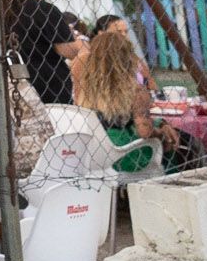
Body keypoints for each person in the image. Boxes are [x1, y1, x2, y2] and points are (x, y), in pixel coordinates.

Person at [72, 23, 193, 175]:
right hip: (127, 153)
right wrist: (161, 133)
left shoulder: (86, 90)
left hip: (95, 153)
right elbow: (145, 131)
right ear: (126, 57)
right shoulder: (135, 91)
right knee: (174, 146)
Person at [0, 0, 86, 105]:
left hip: (18, 83)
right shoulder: (46, 10)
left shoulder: (7, 11)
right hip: (50, 85)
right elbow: (68, 50)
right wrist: (77, 39)